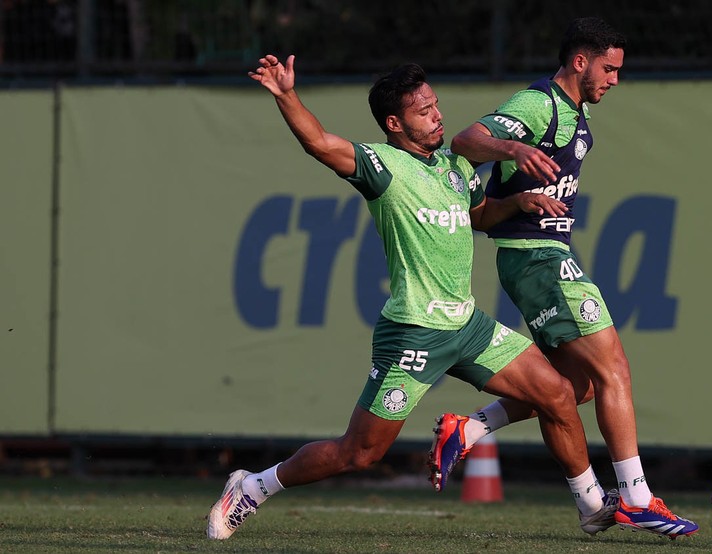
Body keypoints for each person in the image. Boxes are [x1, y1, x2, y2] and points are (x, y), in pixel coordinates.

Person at [207, 55, 616, 540]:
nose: (437, 116)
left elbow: (480, 217)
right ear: (395, 123)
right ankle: (254, 486)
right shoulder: (383, 169)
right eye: (424, 111)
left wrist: (519, 203)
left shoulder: (455, 166)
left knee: (559, 393)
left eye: (436, 105)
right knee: (359, 453)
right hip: (414, 331)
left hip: (467, 325)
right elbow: (318, 142)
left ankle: (591, 506)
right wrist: (286, 95)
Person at [431, 17, 699, 538]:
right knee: (614, 367)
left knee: (570, 387)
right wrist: (513, 149)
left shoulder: (574, 115)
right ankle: (638, 498)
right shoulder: (541, 104)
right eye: (609, 68)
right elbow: (467, 140)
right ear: (581, 61)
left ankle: (470, 428)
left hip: (541, 257)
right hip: (539, 259)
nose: (615, 79)